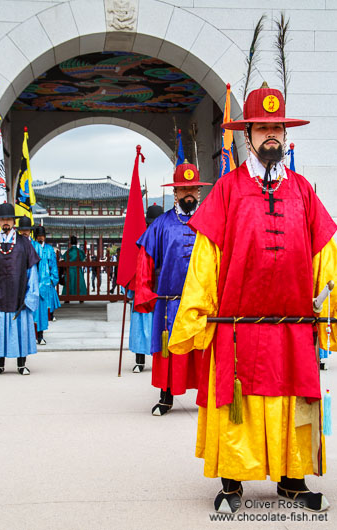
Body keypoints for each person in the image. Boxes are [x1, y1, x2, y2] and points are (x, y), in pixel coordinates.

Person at [169, 83, 337, 513]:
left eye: (276, 128)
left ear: (285, 133)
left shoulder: (301, 190)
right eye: (262, 129)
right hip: (238, 330)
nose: (271, 137)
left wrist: (329, 312)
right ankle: (232, 483)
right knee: (237, 402)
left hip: (293, 328)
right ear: (248, 136)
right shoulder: (226, 190)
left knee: (295, 397)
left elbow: (326, 255)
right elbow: (205, 258)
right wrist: (196, 316)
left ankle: (293, 480)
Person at [134, 161, 212, 415]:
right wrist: (145, 292)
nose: (188, 194)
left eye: (193, 189)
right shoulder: (162, 225)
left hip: (202, 303)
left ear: (199, 192)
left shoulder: (211, 222)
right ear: (175, 192)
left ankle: (208, 399)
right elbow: (145, 259)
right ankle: (166, 396)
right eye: (183, 189)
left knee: (203, 349)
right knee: (170, 350)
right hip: (170, 301)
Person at [0, 203, 40, 375]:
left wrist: (31, 295)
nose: (6, 222)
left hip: (19, 295)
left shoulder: (24, 243)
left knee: (21, 330)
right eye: (2, 219)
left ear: (14, 222)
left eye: (9, 219)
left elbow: (32, 271)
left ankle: (21, 364)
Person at [129, 203, 164, 373]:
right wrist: (130, 289)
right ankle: (140, 360)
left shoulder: (168, 236)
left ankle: (163, 361)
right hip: (144, 286)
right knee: (140, 327)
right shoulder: (142, 239)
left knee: (162, 327)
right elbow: (134, 265)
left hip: (163, 286)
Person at [32, 226, 60, 345]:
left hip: (45, 284)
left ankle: (40, 335)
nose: (40, 238)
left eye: (42, 236)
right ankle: (31, 335)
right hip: (32, 283)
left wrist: (53, 280)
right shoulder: (31, 247)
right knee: (32, 311)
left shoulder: (49, 249)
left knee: (42, 312)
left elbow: (53, 265)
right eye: (38, 236)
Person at [62, 235, 87, 300]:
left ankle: (67, 298)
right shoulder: (80, 251)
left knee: (69, 283)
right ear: (77, 242)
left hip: (69, 269)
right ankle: (81, 297)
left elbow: (65, 259)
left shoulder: (68, 252)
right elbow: (82, 259)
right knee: (79, 283)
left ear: (70, 242)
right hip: (77, 269)